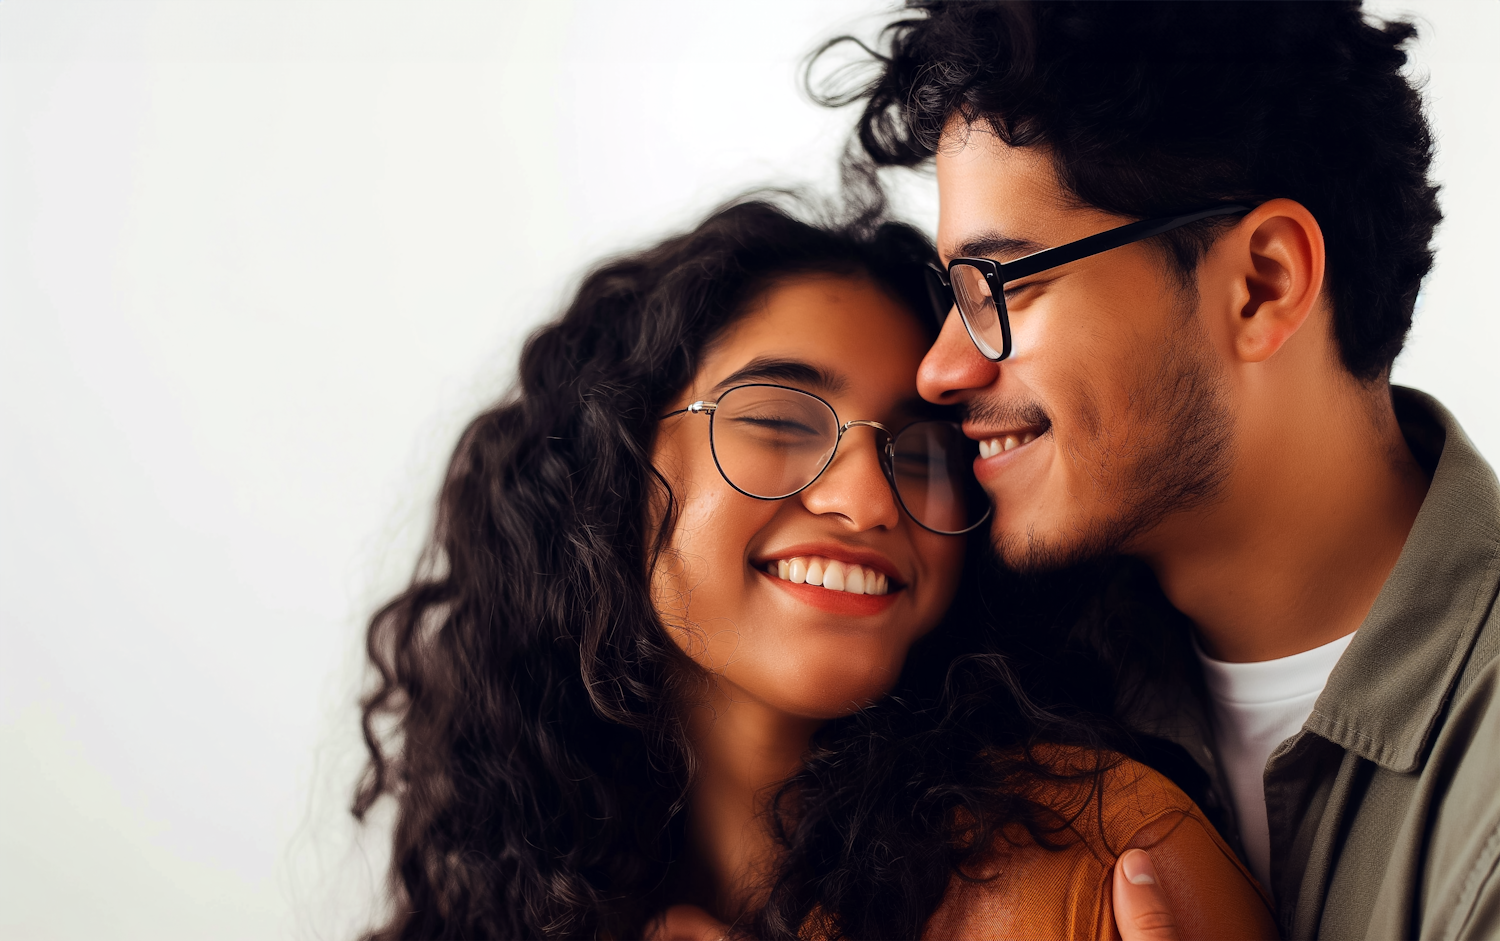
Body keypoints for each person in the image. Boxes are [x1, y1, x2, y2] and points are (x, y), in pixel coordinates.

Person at [351, 197, 1277, 941]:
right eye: (782, 421)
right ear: (610, 466)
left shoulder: (1107, 861)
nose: (869, 498)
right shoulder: (501, 892)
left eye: (922, 452)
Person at [820, 1, 1500, 939]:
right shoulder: (999, 668)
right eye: (954, 293)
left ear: (1262, 283)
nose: (942, 368)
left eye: (1003, 285)